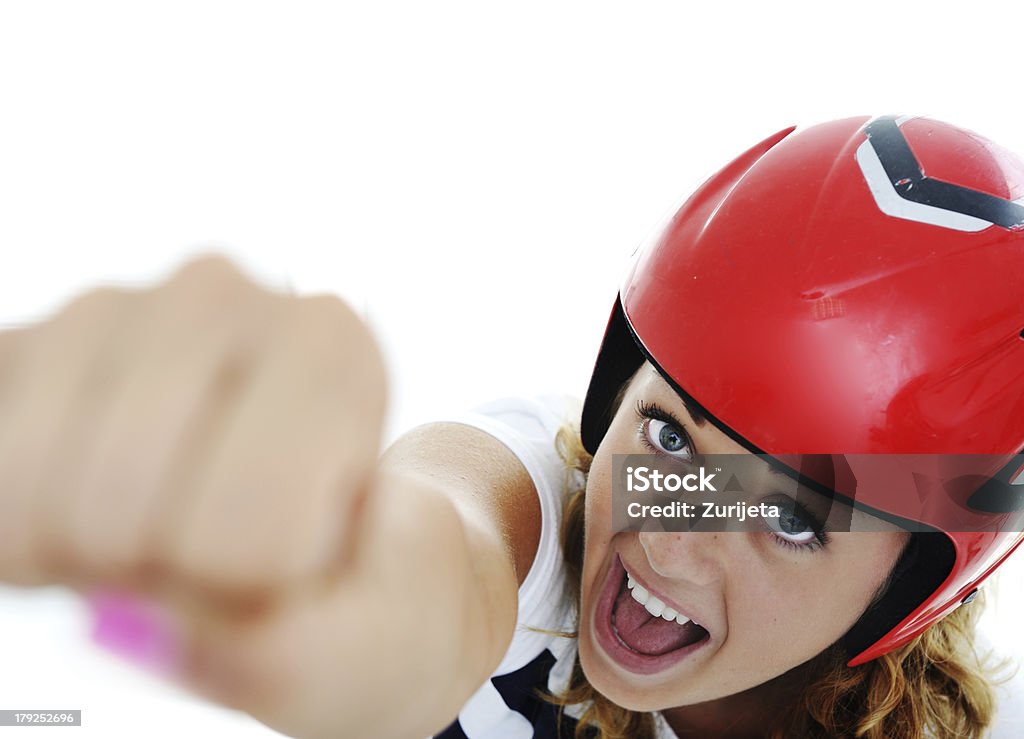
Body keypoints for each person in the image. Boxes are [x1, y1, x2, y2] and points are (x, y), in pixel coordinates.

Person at [0, 114, 1021, 738]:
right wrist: (307, 580)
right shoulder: (537, 502)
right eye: (669, 438)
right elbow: (432, 560)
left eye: (790, 516)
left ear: (910, 588)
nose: (668, 530)